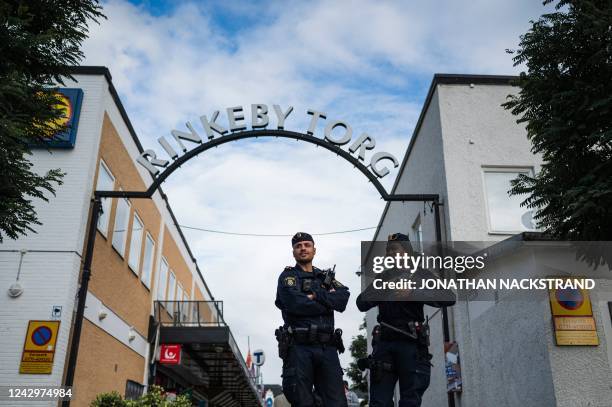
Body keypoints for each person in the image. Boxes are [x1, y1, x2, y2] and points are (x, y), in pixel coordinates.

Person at [356, 233, 455, 407]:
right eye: (388, 250)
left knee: (410, 402)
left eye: (395, 249)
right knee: (379, 402)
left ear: (407, 251)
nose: (391, 253)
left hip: (411, 343)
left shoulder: (421, 274)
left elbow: (448, 297)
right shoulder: (384, 277)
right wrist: (384, 290)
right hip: (385, 344)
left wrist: (414, 293)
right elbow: (361, 303)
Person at [275, 232, 350, 407]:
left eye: (307, 245)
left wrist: (314, 296)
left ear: (314, 250)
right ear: (293, 251)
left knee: (337, 402)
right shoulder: (287, 277)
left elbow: (343, 298)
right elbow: (295, 304)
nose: (303, 249)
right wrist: (327, 300)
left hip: (327, 348)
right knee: (302, 401)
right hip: (299, 348)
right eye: (298, 246)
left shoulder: (325, 277)